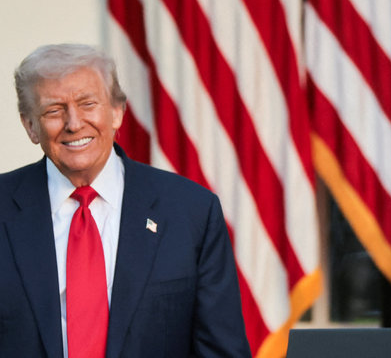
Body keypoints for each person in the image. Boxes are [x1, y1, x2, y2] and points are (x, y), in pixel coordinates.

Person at [0, 44, 251, 357]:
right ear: (30, 126)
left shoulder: (192, 212)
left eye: (87, 104)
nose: (74, 123)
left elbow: (221, 350)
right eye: (54, 110)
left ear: (117, 112)